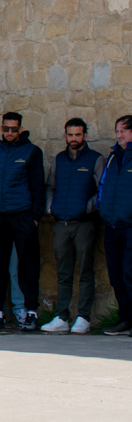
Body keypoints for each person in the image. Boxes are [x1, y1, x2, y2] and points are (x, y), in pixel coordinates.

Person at [0, 112, 45, 331]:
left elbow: (37, 186)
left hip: (22, 215)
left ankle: (31, 313)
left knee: (27, 266)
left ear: (21, 129)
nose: (8, 133)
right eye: (5, 129)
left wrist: (35, 217)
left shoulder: (32, 151)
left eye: (13, 129)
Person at [39, 118, 102, 333]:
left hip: (83, 224)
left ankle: (83, 318)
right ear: (65, 136)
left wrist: (87, 209)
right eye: (70, 134)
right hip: (61, 225)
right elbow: (50, 186)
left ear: (85, 135)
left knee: (85, 271)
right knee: (63, 273)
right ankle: (61, 317)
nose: (73, 138)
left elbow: (101, 190)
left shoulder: (95, 159)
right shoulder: (59, 159)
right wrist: (50, 208)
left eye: (78, 134)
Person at [99, 115, 132, 335]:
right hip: (111, 226)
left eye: (123, 131)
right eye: (117, 131)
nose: (118, 135)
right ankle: (125, 320)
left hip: (130, 227)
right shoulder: (113, 157)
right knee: (116, 275)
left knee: (130, 274)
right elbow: (102, 186)